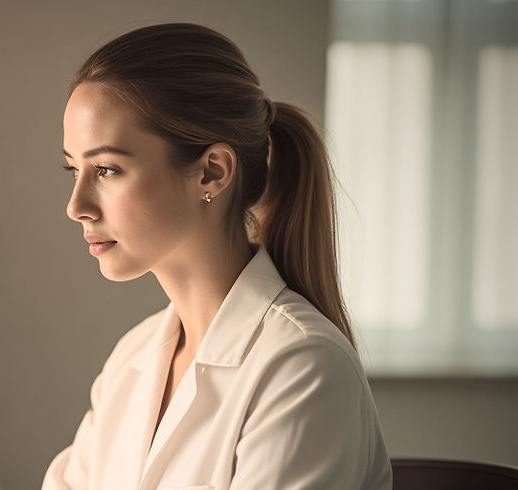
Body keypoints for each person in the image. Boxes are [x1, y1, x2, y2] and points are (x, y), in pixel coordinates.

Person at [43, 23, 392, 490]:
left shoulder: (302, 366)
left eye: (106, 169)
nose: (76, 206)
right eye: (74, 169)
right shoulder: (132, 358)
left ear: (212, 172)